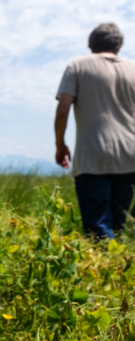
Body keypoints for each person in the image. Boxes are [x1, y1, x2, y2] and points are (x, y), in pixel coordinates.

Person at [55, 23, 135, 239]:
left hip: (93, 154)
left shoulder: (78, 66)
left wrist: (60, 145)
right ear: (118, 45)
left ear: (91, 45)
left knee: (98, 226)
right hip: (130, 155)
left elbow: (63, 110)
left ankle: (104, 264)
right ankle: (119, 266)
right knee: (120, 223)